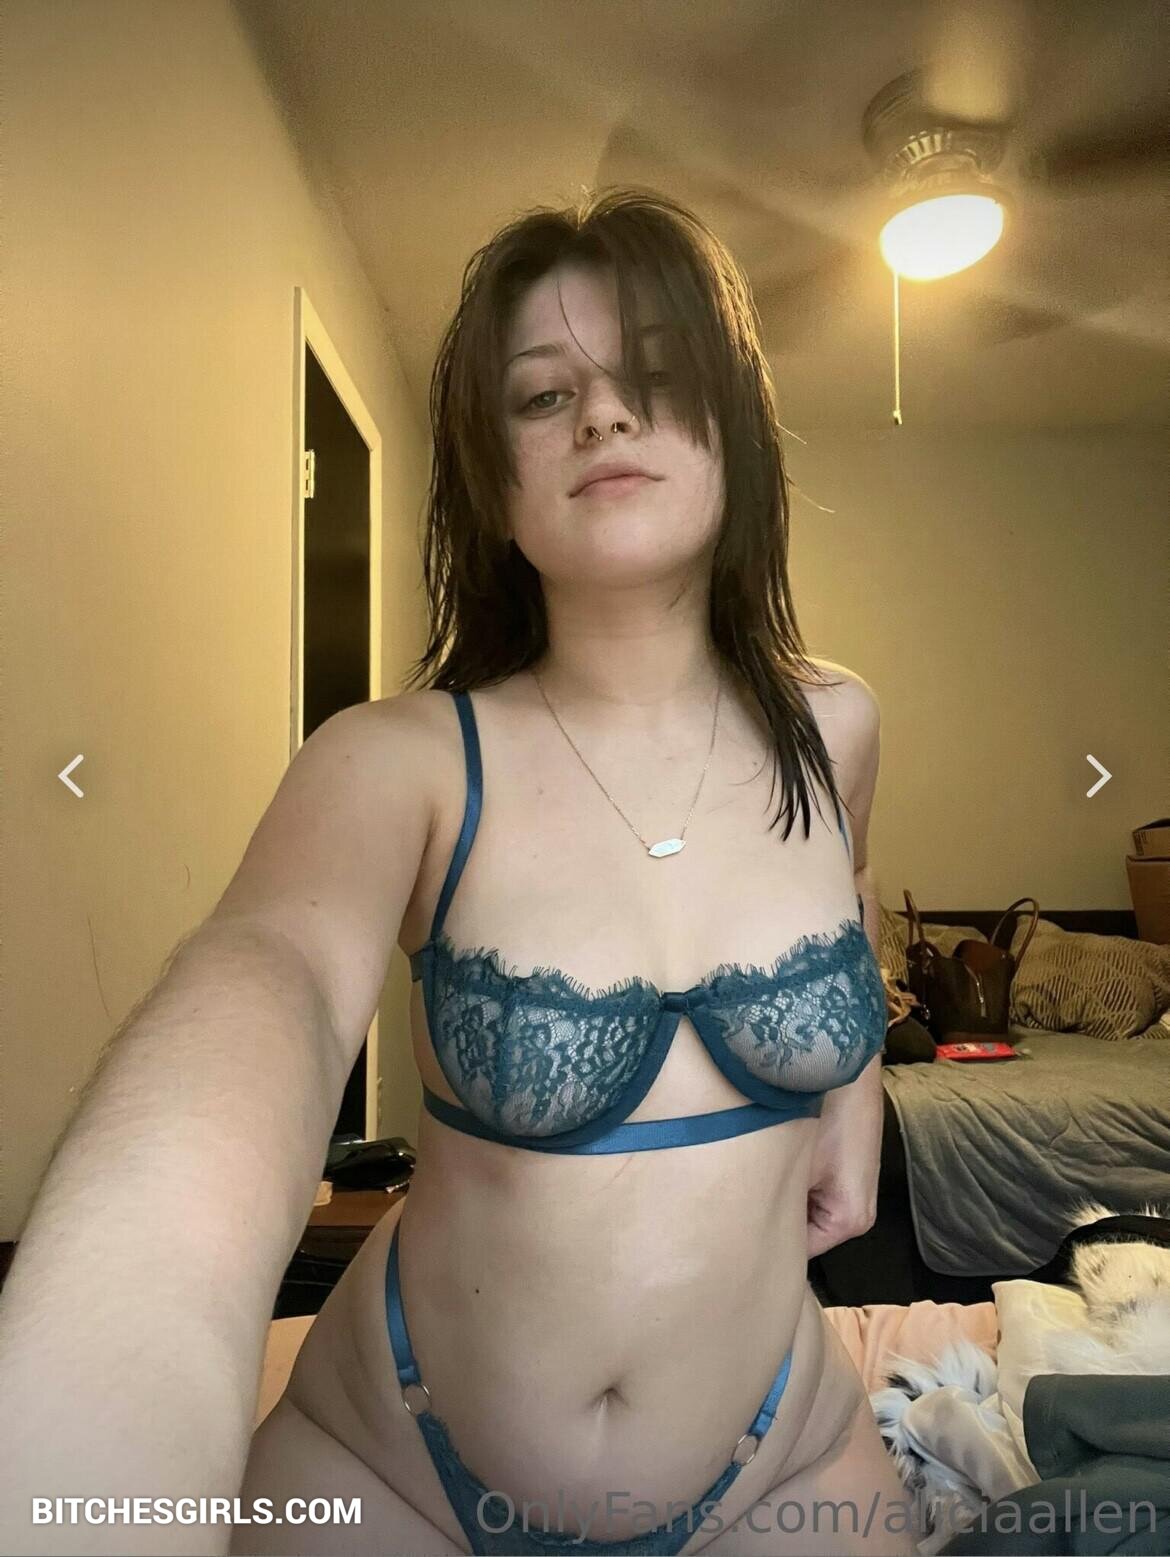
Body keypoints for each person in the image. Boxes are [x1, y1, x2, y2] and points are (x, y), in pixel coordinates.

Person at [0, 188, 912, 1557]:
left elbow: (846, 889)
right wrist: (85, 1457)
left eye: (655, 376)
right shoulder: (396, 762)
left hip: (781, 1458)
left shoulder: (834, 726)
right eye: (544, 396)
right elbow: (271, 983)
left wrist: (854, 1093)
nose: (602, 416)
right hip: (398, 1468)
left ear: (734, 423)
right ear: (493, 480)